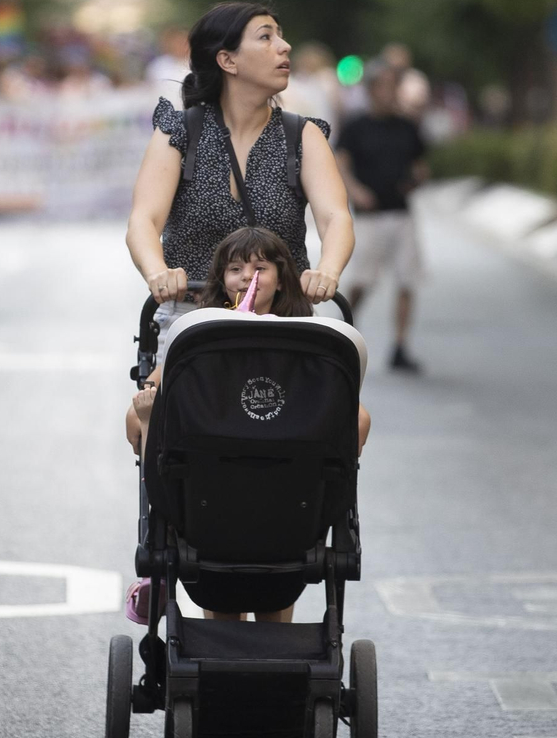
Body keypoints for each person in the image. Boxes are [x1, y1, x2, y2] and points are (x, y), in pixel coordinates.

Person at [125, 226, 372, 624]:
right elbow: (154, 385)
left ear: (281, 276)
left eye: (259, 267)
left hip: (289, 483)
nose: (246, 276)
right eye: (235, 268)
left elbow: (355, 419)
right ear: (222, 277)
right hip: (213, 482)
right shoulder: (202, 335)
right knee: (222, 608)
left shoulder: (305, 338)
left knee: (355, 419)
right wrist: (148, 402)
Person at [126, 1, 355, 341]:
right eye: (266, 37)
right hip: (191, 321)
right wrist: (158, 273)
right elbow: (143, 220)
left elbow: (336, 217)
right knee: (155, 394)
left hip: (281, 320)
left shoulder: (303, 135)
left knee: (344, 388)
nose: (284, 46)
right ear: (227, 60)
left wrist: (328, 272)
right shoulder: (179, 132)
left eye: (281, 36)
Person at [336, 61, 429, 372]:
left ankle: (400, 345)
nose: (390, 93)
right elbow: (341, 163)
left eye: (394, 86)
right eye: (385, 86)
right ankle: (347, 327)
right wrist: (355, 191)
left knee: (407, 280)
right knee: (362, 279)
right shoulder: (356, 126)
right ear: (373, 90)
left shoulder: (408, 126)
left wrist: (416, 179)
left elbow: (420, 164)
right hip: (369, 215)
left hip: (401, 212)